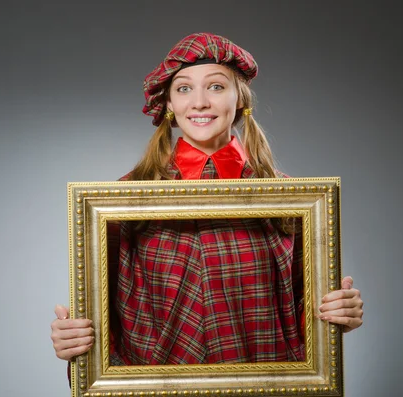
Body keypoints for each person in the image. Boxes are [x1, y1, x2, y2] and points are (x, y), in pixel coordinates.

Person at [51, 32, 364, 372]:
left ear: (240, 99)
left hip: (267, 385)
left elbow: (304, 306)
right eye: (184, 88)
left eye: (216, 87)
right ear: (169, 104)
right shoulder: (122, 200)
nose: (199, 102)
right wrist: (78, 343)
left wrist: (334, 316)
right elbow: (100, 306)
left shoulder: (293, 200)